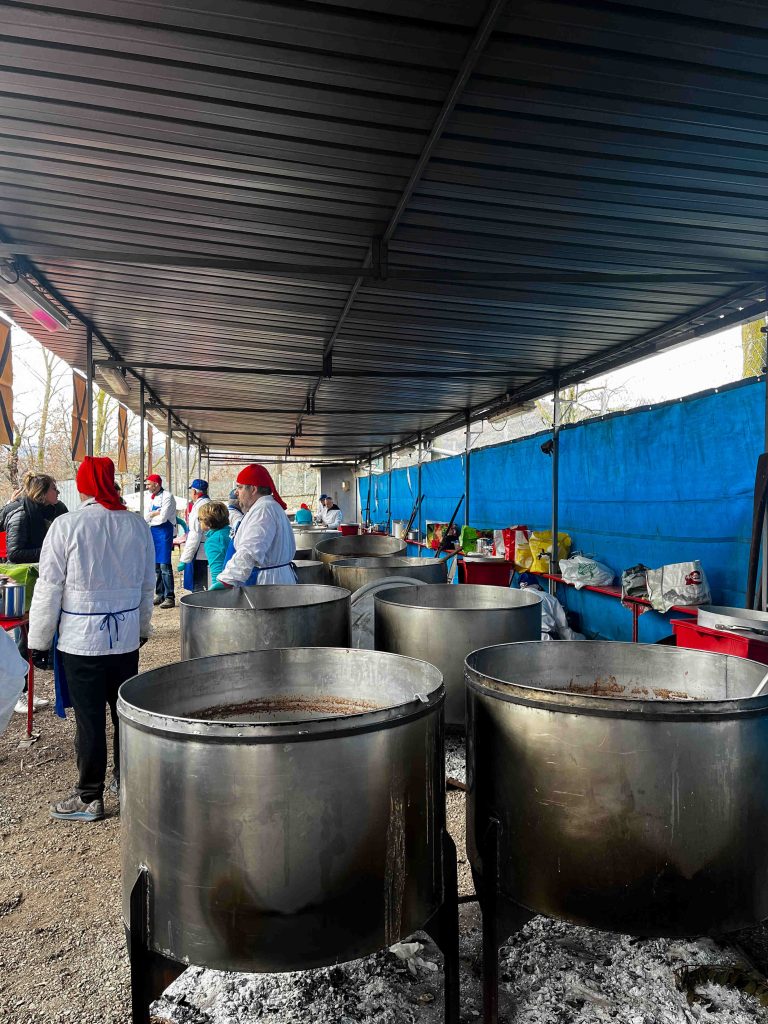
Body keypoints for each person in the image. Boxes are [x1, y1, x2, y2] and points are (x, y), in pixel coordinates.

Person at [27, 456, 155, 822]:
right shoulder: (136, 524)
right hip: (125, 637)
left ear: (83, 486)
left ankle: (89, 796)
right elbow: (148, 585)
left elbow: (49, 588)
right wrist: (142, 627)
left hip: (82, 641)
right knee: (124, 714)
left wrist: (38, 640)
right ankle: (125, 782)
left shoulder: (67, 526)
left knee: (89, 718)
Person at [216, 464, 296, 587]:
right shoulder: (268, 506)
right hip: (276, 579)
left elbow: (250, 550)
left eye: (240, 487)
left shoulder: (263, 510)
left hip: (269, 584)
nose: (236, 492)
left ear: (253, 489)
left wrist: (227, 580)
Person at [6, 473, 68, 563]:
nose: (58, 492)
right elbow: (14, 554)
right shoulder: (21, 515)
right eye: (54, 489)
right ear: (42, 492)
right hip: (23, 573)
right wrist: (51, 551)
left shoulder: (58, 510)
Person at [516, 572, 584, 641]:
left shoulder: (514, 598)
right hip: (543, 638)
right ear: (538, 586)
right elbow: (562, 628)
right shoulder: (547, 597)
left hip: (520, 639)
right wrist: (581, 639)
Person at [144, 473, 177, 609]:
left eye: (148, 484)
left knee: (165, 565)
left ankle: (170, 596)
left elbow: (163, 518)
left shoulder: (168, 496)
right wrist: (154, 513)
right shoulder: (150, 497)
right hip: (153, 532)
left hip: (164, 532)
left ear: (156, 484)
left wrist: (154, 515)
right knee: (156, 566)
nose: (147, 486)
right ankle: (160, 594)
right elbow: (146, 516)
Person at [178, 479, 210, 592]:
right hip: (208, 551)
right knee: (208, 584)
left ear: (195, 492)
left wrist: (185, 559)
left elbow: (195, 535)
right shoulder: (209, 503)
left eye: (191, 491)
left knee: (199, 586)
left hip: (200, 553)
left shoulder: (199, 508)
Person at [197, 501, 231, 589]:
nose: (199, 522)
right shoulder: (229, 532)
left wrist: (214, 595)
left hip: (227, 587)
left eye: (200, 519)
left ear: (208, 522)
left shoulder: (214, 541)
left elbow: (217, 573)